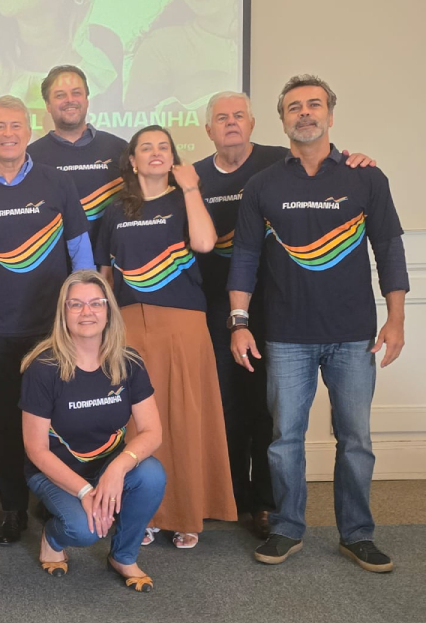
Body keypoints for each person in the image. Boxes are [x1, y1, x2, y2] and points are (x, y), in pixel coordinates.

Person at [228, 75, 408, 572]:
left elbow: (389, 248)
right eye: (294, 107)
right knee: (285, 439)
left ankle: (358, 534)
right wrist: (239, 321)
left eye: (313, 105)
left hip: (354, 336)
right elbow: (243, 254)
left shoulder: (365, 177)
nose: (304, 113)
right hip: (285, 336)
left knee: (356, 440)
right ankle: (287, 528)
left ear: (330, 113)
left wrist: (396, 320)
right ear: (282, 119)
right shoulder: (263, 185)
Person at [195, 91, 375, 539]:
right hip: (216, 309)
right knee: (229, 409)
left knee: (270, 415)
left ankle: (270, 506)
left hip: (275, 310)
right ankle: (234, 499)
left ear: (254, 123)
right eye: (222, 117)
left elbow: (323, 158)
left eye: (239, 115)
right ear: (209, 129)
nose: (231, 123)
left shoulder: (277, 161)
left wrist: (355, 159)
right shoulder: (196, 177)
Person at [0, 95, 94, 544]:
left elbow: (81, 252)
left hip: (53, 329)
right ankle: (12, 508)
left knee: (60, 419)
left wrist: (87, 313)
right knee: (6, 422)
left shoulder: (57, 183)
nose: (8, 134)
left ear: (28, 132)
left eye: (16, 126)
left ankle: (57, 502)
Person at [94, 124, 236, 549]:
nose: (155, 153)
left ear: (173, 158)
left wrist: (190, 187)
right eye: (145, 148)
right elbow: (104, 275)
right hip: (130, 326)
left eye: (163, 148)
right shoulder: (116, 210)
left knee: (185, 416)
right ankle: (148, 512)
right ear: (132, 160)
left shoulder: (184, 199)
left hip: (183, 323)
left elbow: (206, 243)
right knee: (139, 422)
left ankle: (187, 513)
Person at [21, 270, 164, 590]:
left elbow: (153, 431)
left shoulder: (129, 362)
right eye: (76, 305)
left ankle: (123, 556)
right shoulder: (44, 368)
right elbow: (36, 449)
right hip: (54, 472)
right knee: (85, 531)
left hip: (106, 467)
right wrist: (85, 492)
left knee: (152, 474)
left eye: (96, 304)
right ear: (63, 313)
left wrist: (118, 467)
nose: (87, 312)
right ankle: (53, 536)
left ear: (109, 311)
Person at [28, 65, 127, 253]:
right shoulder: (31, 157)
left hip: (110, 267)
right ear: (48, 105)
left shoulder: (119, 149)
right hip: (53, 269)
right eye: (60, 95)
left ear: (87, 100)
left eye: (76, 93)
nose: (70, 100)